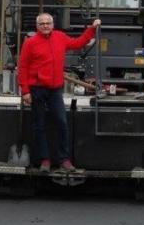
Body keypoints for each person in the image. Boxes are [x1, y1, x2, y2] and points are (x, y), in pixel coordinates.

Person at [18, 13, 101, 172]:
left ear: (52, 24)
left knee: (62, 123)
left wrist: (92, 28)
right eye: (42, 23)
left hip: (55, 89)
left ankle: (64, 159)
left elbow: (78, 43)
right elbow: (22, 67)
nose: (45, 26)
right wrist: (25, 91)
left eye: (48, 23)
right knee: (39, 125)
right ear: (37, 26)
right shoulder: (30, 43)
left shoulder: (60, 37)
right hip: (37, 89)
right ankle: (45, 160)